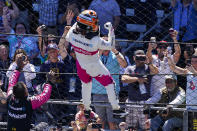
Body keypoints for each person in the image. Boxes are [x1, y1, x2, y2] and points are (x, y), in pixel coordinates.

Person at [63, 10, 126, 116]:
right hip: (94, 65)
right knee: (110, 83)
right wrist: (111, 29)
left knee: (86, 85)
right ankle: (115, 108)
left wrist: (81, 20)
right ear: (88, 28)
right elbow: (111, 45)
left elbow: (76, 27)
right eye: (95, 23)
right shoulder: (96, 41)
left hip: (81, 65)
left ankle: (87, 109)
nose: (97, 25)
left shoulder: (72, 34)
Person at [6, 54, 54, 131]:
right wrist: (48, 82)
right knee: (44, 125)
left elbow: (12, 82)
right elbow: (44, 96)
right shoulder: (30, 102)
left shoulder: (9, 97)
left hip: (11, 129)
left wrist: (19, 68)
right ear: (26, 94)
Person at [121, 50, 159, 130]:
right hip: (131, 101)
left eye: (142, 57)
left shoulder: (148, 68)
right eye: (138, 57)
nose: (140, 59)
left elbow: (156, 71)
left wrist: (148, 62)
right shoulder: (130, 68)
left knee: (145, 126)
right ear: (134, 58)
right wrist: (137, 79)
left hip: (144, 101)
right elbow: (123, 79)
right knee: (130, 127)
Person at [92, 48, 127, 130]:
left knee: (112, 121)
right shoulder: (95, 55)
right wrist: (99, 52)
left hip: (112, 92)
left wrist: (114, 50)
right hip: (97, 92)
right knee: (99, 120)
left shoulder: (115, 55)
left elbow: (124, 65)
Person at [146, 30, 181, 99]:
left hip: (170, 92)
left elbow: (178, 52)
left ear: (167, 49)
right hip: (155, 92)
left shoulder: (170, 58)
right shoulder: (153, 57)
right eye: (160, 47)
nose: (162, 49)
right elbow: (148, 57)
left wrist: (174, 39)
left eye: (164, 47)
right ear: (157, 49)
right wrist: (150, 48)